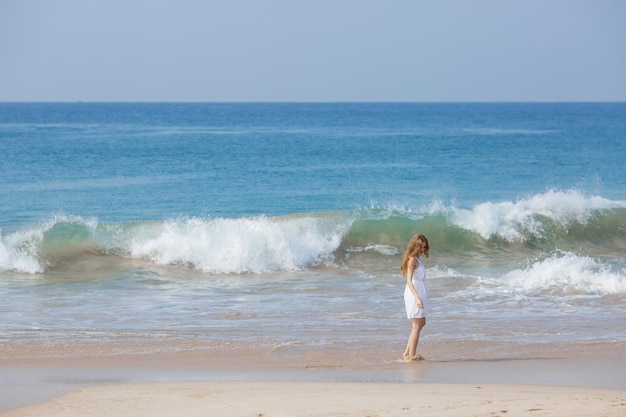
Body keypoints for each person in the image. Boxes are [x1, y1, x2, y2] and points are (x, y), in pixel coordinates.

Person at [401, 233, 430, 361]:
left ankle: (407, 353)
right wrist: (417, 298)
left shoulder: (417, 258)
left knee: (421, 323)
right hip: (414, 293)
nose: (423, 250)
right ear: (415, 246)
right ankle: (411, 356)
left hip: (420, 291)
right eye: (421, 247)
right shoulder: (412, 259)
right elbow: (409, 280)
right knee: (416, 325)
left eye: (424, 247)